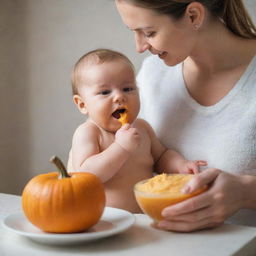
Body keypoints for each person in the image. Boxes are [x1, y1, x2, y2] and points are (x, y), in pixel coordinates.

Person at [115, 0, 256, 231]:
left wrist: (245, 192)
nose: (139, 47)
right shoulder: (150, 75)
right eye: (134, 32)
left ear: (193, 16)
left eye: (149, 32)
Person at [67, 48, 207, 213]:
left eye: (127, 89)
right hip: (102, 220)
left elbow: (161, 156)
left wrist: (180, 165)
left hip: (145, 216)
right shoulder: (89, 132)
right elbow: (87, 176)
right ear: (82, 104)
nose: (119, 97)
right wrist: (121, 148)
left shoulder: (142, 128)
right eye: (105, 92)